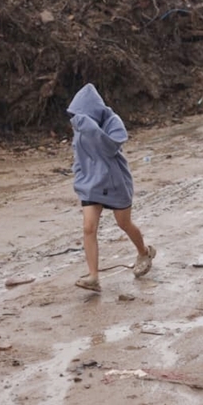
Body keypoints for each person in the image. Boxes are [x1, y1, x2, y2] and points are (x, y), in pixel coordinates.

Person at [67, 83, 155, 292]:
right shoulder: (80, 126)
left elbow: (110, 147)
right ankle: (93, 277)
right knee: (89, 227)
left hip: (115, 182)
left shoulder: (112, 122)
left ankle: (144, 252)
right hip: (90, 183)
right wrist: (79, 177)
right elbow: (78, 155)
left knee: (124, 223)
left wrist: (92, 128)